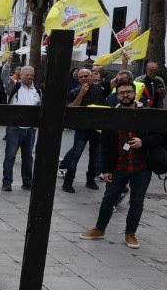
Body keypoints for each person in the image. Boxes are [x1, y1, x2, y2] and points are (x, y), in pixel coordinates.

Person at [78, 82, 161, 248]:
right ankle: (99, 229)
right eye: (122, 93)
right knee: (109, 198)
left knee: (137, 201)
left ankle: (130, 233)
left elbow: (160, 136)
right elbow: (105, 144)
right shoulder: (111, 115)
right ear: (117, 95)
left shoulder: (146, 113)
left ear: (135, 93)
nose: (125, 95)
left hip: (141, 166)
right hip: (119, 166)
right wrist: (105, 169)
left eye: (129, 92)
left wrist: (143, 141)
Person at [60, 67, 107, 193]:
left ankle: (90, 180)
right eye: (80, 77)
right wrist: (81, 94)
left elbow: (115, 83)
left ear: (91, 76)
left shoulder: (100, 89)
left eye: (86, 76)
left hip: (97, 129)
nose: (83, 79)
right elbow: (71, 108)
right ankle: (68, 182)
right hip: (81, 129)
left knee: (95, 156)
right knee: (76, 155)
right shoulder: (75, 91)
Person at [2, 66, 40, 191]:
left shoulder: (38, 91)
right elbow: (4, 78)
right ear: (21, 75)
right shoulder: (15, 87)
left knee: (28, 157)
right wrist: (7, 64)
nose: (29, 77)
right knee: (10, 155)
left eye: (31, 75)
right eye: (27, 75)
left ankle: (27, 181)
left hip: (30, 129)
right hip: (14, 128)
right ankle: (7, 182)